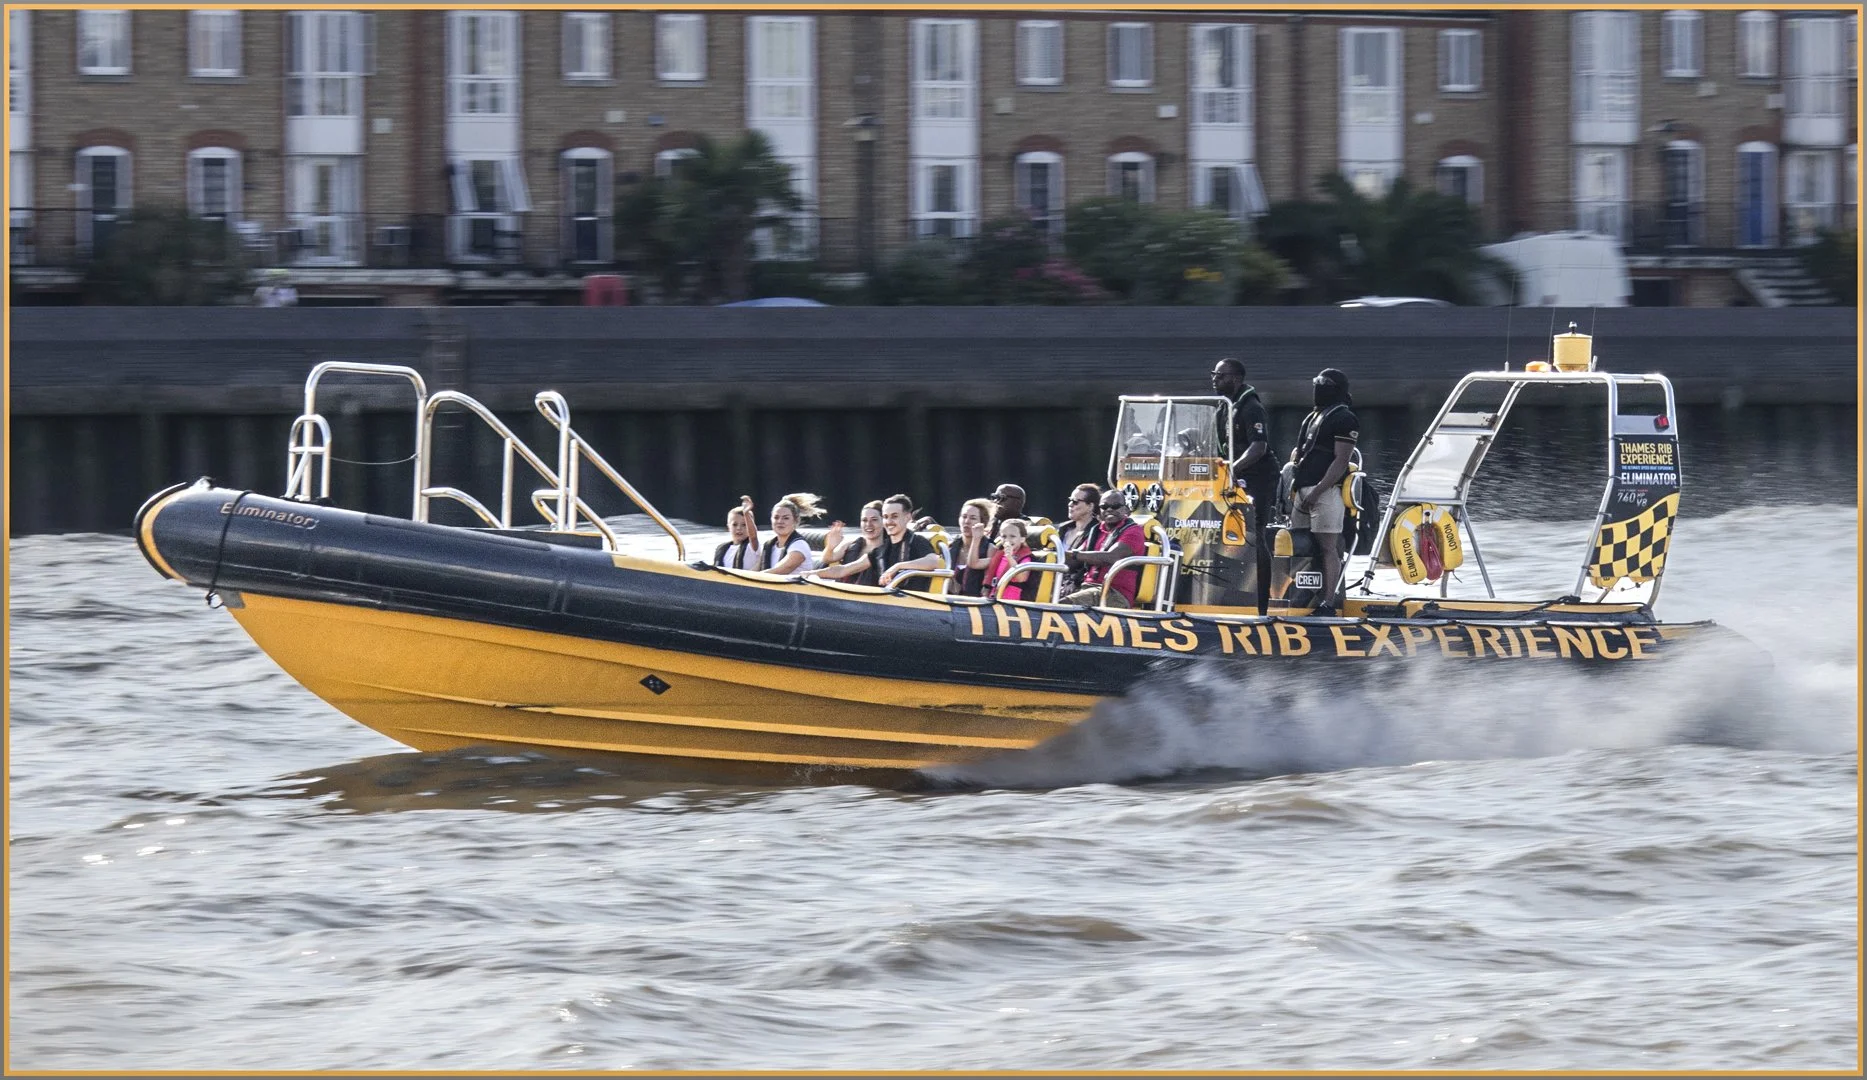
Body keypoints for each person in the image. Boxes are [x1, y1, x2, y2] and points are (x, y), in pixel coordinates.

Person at [1211, 356, 1280, 613]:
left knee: (1255, 531)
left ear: (1236, 379)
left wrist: (1233, 468)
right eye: (1213, 375)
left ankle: (1261, 600)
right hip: (1233, 477)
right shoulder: (1224, 406)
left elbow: (1258, 446)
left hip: (1259, 477)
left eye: (1220, 376)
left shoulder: (1251, 407)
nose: (1215, 380)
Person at [1288, 368, 1359, 615]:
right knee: (1300, 546)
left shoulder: (1345, 418)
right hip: (1303, 489)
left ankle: (1329, 602)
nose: (1317, 386)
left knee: (1328, 547)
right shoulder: (1313, 415)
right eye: (1316, 381)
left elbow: (1341, 460)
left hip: (1326, 492)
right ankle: (1300, 599)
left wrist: (1317, 491)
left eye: (1323, 383)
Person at [1062, 491, 1147, 608]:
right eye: (1104, 507)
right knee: (1049, 597)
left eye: (1115, 506)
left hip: (1115, 594)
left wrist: (1074, 554)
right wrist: (1053, 558)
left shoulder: (1134, 531)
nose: (1109, 510)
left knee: (1063, 605)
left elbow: (1111, 557)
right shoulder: (1096, 531)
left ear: (1125, 509)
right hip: (1088, 587)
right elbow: (1075, 559)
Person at [873, 494, 943, 589]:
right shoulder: (882, 547)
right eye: (885, 517)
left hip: (913, 597)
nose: (889, 521)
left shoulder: (917, 541)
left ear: (907, 517)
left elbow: (935, 561)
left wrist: (898, 566)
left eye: (894, 516)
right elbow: (856, 565)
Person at [814, 501, 885, 586]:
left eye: (874, 520)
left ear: (883, 521)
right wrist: (830, 547)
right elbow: (827, 559)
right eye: (864, 520)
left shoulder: (888, 549)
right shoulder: (850, 544)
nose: (868, 524)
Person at [1053, 483, 1102, 596]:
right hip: (1054, 581)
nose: (1070, 504)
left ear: (1090, 506)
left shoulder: (1098, 531)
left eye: (1075, 501)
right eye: (1070, 500)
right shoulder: (1062, 529)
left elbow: (1092, 563)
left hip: (1076, 586)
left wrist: (1075, 582)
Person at [762, 492, 824, 575]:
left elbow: (781, 570)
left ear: (796, 521)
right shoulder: (768, 545)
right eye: (776, 517)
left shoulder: (799, 545)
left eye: (786, 518)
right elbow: (754, 570)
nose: (780, 521)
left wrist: (754, 577)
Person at [949, 497, 996, 596]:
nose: (967, 521)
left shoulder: (990, 548)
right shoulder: (950, 546)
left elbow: (988, 582)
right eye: (964, 516)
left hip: (975, 600)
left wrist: (976, 539)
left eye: (973, 518)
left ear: (983, 523)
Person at [985, 518, 1039, 601]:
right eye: (1004, 536)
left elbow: (1021, 578)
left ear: (1022, 539)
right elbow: (975, 564)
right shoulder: (999, 555)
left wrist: (1010, 557)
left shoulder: (1025, 558)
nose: (1007, 540)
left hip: (1012, 601)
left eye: (1012, 536)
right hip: (995, 597)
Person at [712, 495, 761, 570]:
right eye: (734, 525)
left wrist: (746, 513)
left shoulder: (752, 547)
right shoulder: (721, 548)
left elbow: (753, 537)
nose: (739, 528)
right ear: (728, 527)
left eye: (744, 525)